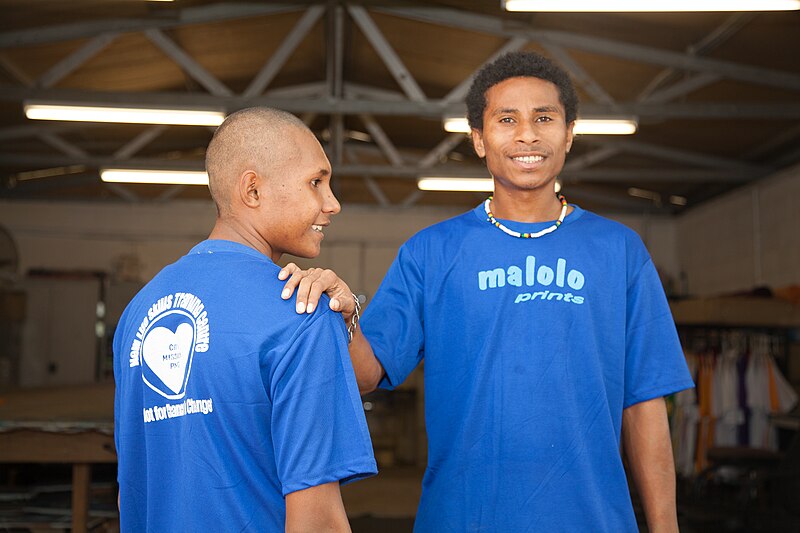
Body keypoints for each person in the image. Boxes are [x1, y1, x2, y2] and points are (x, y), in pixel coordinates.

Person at [281, 51, 693, 532]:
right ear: (478, 138)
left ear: (570, 132)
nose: (527, 135)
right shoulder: (430, 253)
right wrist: (340, 312)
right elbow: (368, 373)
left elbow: (644, 404)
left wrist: (666, 527)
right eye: (506, 119)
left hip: (593, 519)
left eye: (544, 118)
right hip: (462, 520)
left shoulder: (620, 251)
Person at [113, 107, 377, 532]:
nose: (333, 203)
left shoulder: (138, 314)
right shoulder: (302, 312)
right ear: (252, 190)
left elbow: (133, 487)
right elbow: (319, 521)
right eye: (316, 182)